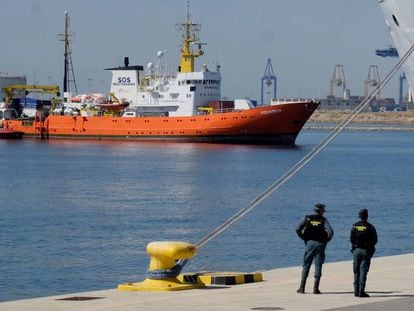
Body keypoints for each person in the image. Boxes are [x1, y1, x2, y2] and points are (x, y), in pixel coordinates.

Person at [295, 203, 334, 294]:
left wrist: (303, 238)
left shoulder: (307, 218)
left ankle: (302, 287)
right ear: (321, 211)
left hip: (309, 243)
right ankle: (315, 288)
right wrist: (326, 241)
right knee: (318, 265)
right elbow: (331, 232)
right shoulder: (323, 220)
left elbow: (297, 229)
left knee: (306, 265)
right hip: (320, 244)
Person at [350, 208, 378, 298]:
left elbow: (351, 238)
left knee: (356, 270)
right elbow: (375, 240)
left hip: (356, 250)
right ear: (367, 216)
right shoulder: (370, 227)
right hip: (365, 251)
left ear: (359, 216)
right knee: (363, 271)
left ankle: (355, 291)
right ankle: (361, 291)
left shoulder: (354, 226)